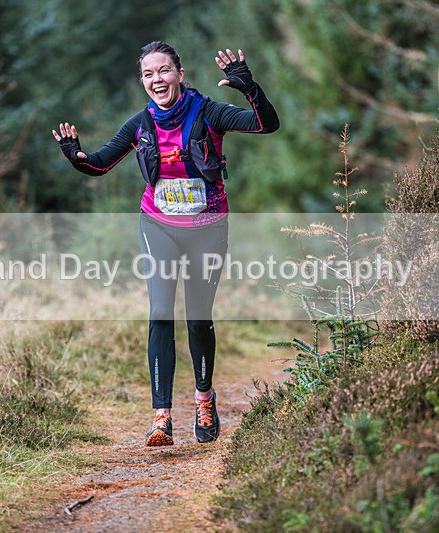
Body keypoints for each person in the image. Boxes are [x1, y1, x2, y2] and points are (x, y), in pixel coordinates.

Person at [53, 41, 279, 446]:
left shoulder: (209, 112)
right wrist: (76, 157)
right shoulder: (139, 124)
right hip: (157, 225)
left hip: (208, 227)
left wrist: (251, 88)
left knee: (197, 317)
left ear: (180, 73)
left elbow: (267, 124)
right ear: (143, 81)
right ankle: (161, 417)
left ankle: (204, 399)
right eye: (148, 74)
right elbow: (99, 162)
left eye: (164, 71)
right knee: (160, 312)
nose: (157, 79)